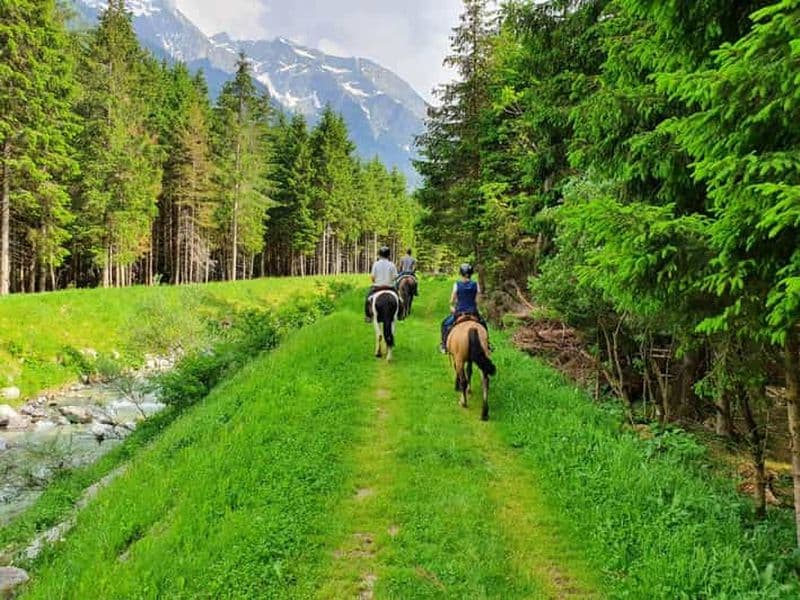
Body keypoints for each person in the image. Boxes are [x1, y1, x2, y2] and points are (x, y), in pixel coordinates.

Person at [440, 263, 488, 353]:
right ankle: (488, 345)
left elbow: (452, 300)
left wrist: (452, 306)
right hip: (473, 312)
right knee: (483, 324)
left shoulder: (457, 284)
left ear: (461, 273)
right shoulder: (476, 284)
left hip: (459, 312)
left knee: (445, 324)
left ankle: (444, 345)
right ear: (471, 273)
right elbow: (478, 300)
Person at [365, 246, 398, 322]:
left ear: (379, 255)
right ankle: (400, 314)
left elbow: (373, 277)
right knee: (399, 299)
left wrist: (376, 281)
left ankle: (368, 316)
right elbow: (395, 277)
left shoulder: (376, 264)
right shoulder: (392, 264)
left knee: (367, 298)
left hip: (377, 286)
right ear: (388, 255)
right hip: (390, 287)